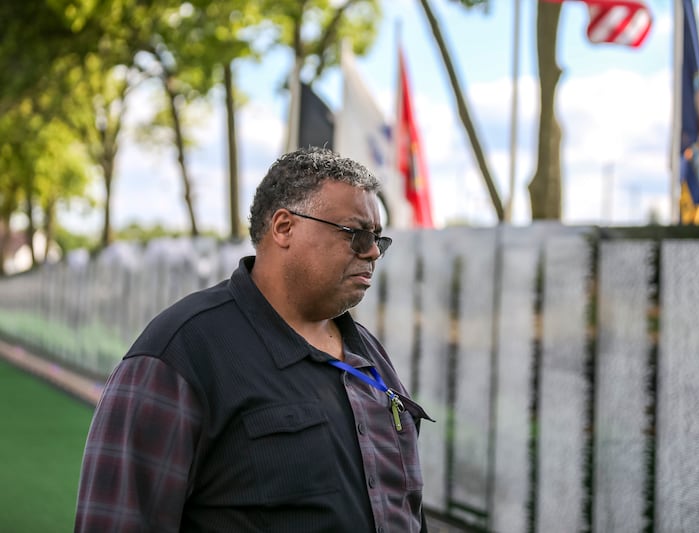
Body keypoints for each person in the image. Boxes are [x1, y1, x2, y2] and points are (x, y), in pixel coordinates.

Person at [75, 147, 432, 532]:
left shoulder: (369, 355)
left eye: (379, 239)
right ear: (284, 227)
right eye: (357, 235)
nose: (373, 252)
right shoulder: (182, 352)